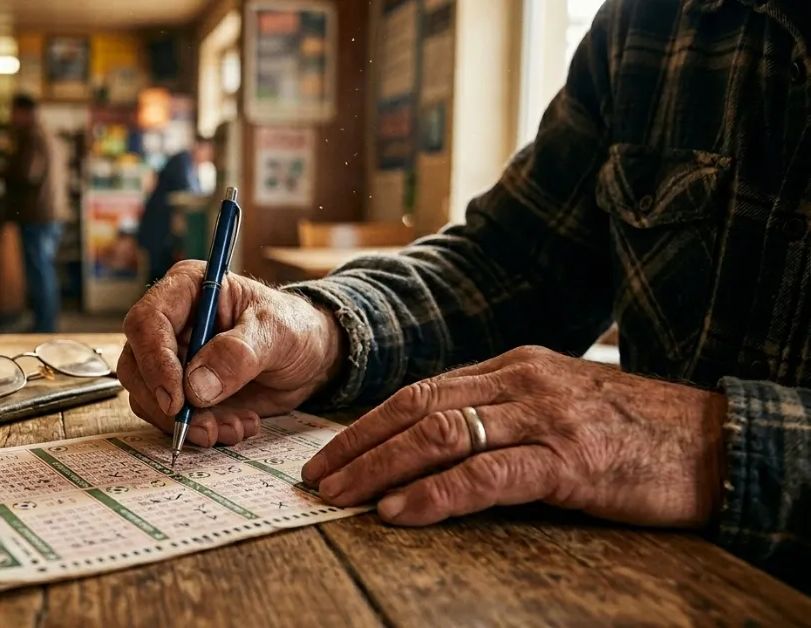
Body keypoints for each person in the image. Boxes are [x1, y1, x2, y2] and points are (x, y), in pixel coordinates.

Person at [118, 0, 811, 593]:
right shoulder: (652, 21)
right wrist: (320, 328)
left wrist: (712, 444)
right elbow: (511, 265)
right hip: (653, 588)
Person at [2, 94, 63, 334]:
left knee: (40, 272)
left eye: (14, 111)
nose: (12, 117)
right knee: (44, 269)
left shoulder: (33, 136)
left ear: (24, 112)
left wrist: (2, 169)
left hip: (39, 214)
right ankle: (45, 323)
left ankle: (44, 326)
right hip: (49, 213)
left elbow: (29, 174)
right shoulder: (48, 134)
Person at [137, 139, 214, 285]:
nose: (209, 158)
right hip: (158, 229)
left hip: (164, 231)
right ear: (201, 147)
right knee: (157, 277)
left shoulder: (191, 166)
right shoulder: (182, 161)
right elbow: (188, 193)